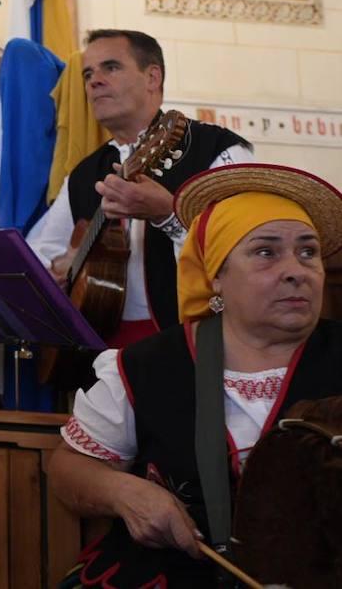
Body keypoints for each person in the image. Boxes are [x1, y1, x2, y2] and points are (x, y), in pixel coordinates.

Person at [48, 163, 342, 586]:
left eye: (308, 252)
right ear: (217, 275)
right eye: (266, 252)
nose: (296, 269)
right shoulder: (146, 365)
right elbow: (68, 467)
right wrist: (126, 493)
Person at [27, 30, 251, 347]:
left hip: (199, 341)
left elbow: (246, 248)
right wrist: (61, 273)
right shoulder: (83, 173)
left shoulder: (217, 149)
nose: (94, 81)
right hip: (102, 348)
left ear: (152, 77)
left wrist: (168, 214)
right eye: (88, 73)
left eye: (111, 67)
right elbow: (44, 253)